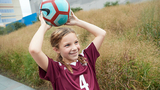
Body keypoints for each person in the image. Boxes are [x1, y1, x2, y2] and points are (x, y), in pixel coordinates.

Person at [29, 11, 106, 90]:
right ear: (56, 49)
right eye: (67, 45)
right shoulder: (56, 69)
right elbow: (34, 50)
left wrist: (78, 22)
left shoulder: (86, 58)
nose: (74, 48)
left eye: (76, 42)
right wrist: (43, 26)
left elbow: (101, 34)